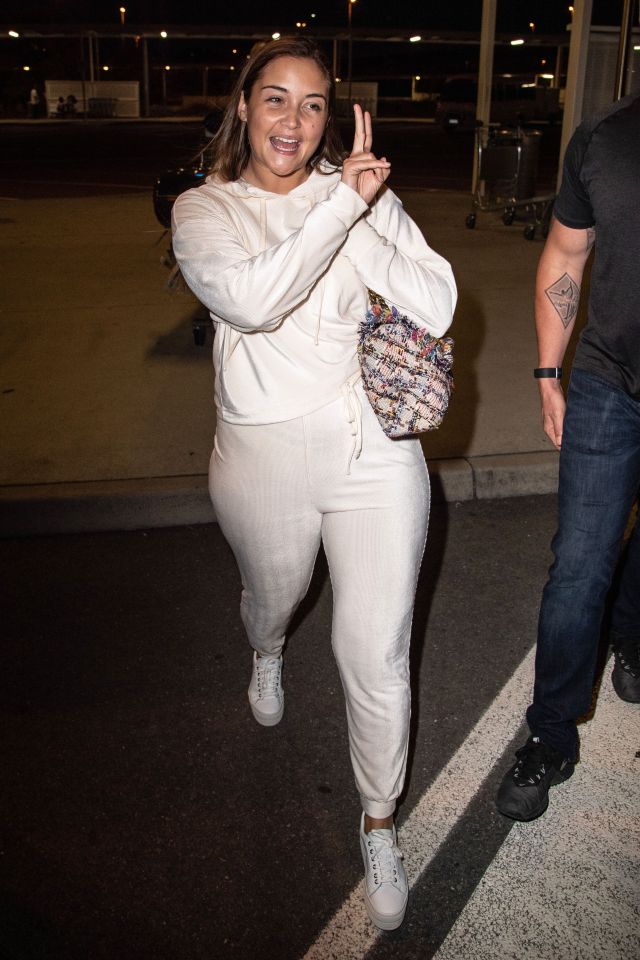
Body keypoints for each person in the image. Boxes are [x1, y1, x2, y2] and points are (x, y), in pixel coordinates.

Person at [171, 37, 456, 928]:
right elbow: (255, 300)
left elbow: (439, 302)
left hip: (376, 452)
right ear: (244, 107)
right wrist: (340, 213)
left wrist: (360, 217)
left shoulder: (363, 196)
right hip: (265, 457)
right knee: (276, 595)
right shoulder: (204, 209)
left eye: (315, 103)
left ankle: (379, 818)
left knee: (374, 653)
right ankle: (264, 647)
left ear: (332, 116)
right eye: (277, 99)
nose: (295, 120)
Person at [496, 94, 640, 823]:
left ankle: (633, 633)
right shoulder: (607, 138)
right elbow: (565, 250)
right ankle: (551, 735)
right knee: (581, 562)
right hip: (610, 383)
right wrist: (550, 372)